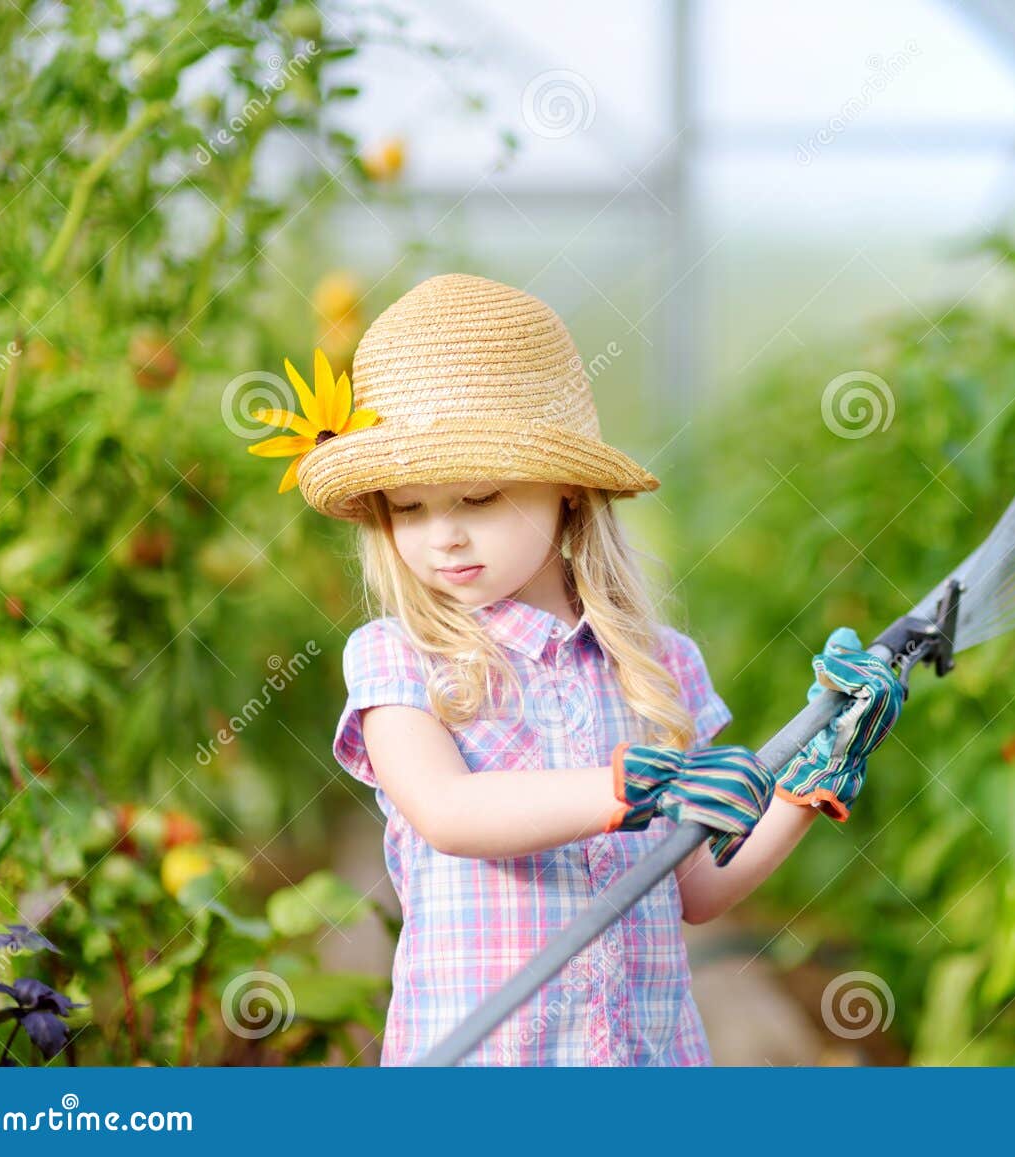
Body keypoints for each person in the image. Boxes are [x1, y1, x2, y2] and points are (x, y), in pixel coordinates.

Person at [247, 272, 905, 1066]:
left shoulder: (658, 664)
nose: (442, 536)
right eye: (408, 508)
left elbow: (694, 885)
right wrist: (628, 786)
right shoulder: (400, 656)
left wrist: (809, 776)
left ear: (566, 490)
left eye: (479, 497)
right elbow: (450, 812)